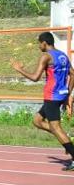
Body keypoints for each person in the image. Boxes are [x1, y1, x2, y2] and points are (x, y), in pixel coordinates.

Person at [11, 31, 74, 171]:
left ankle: (71, 150)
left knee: (56, 127)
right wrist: (68, 93)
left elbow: (35, 77)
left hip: (52, 96)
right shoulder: (63, 55)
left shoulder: (46, 56)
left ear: (44, 43)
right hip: (59, 95)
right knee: (37, 121)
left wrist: (19, 69)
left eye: (39, 43)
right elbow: (72, 74)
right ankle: (66, 139)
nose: (39, 46)